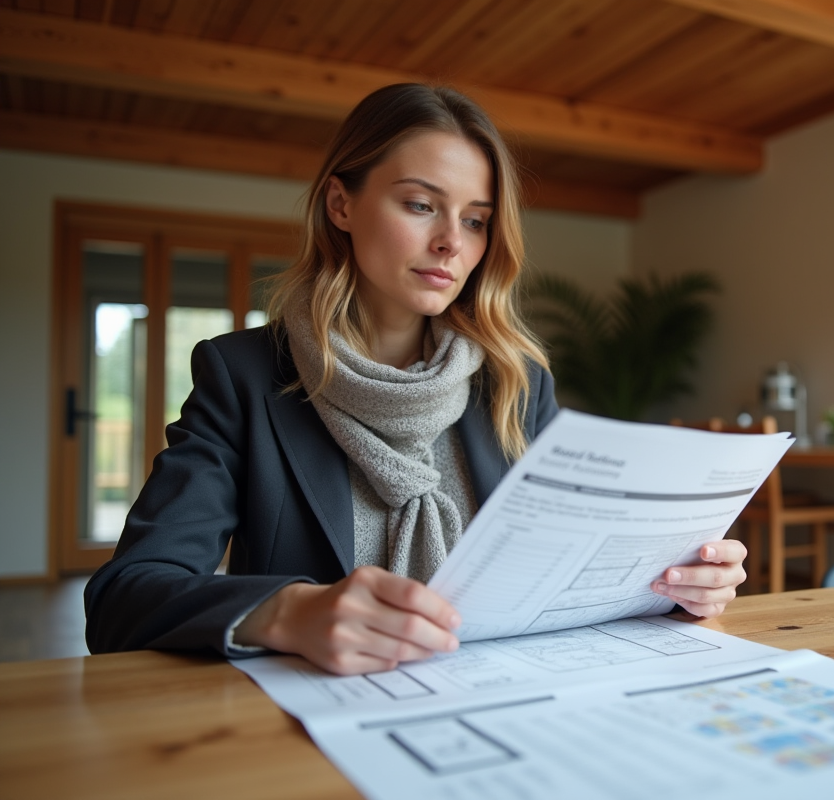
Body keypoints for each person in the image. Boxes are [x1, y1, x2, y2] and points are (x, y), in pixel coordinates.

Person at [84, 83, 748, 676]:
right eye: (421, 204)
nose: (451, 244)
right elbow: (124, 597)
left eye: (476, 220)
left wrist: (675, 587)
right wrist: (286, 613)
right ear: (341, 204)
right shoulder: (243, 377)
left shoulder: (516, 383)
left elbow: (567, 578)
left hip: (500, 706)